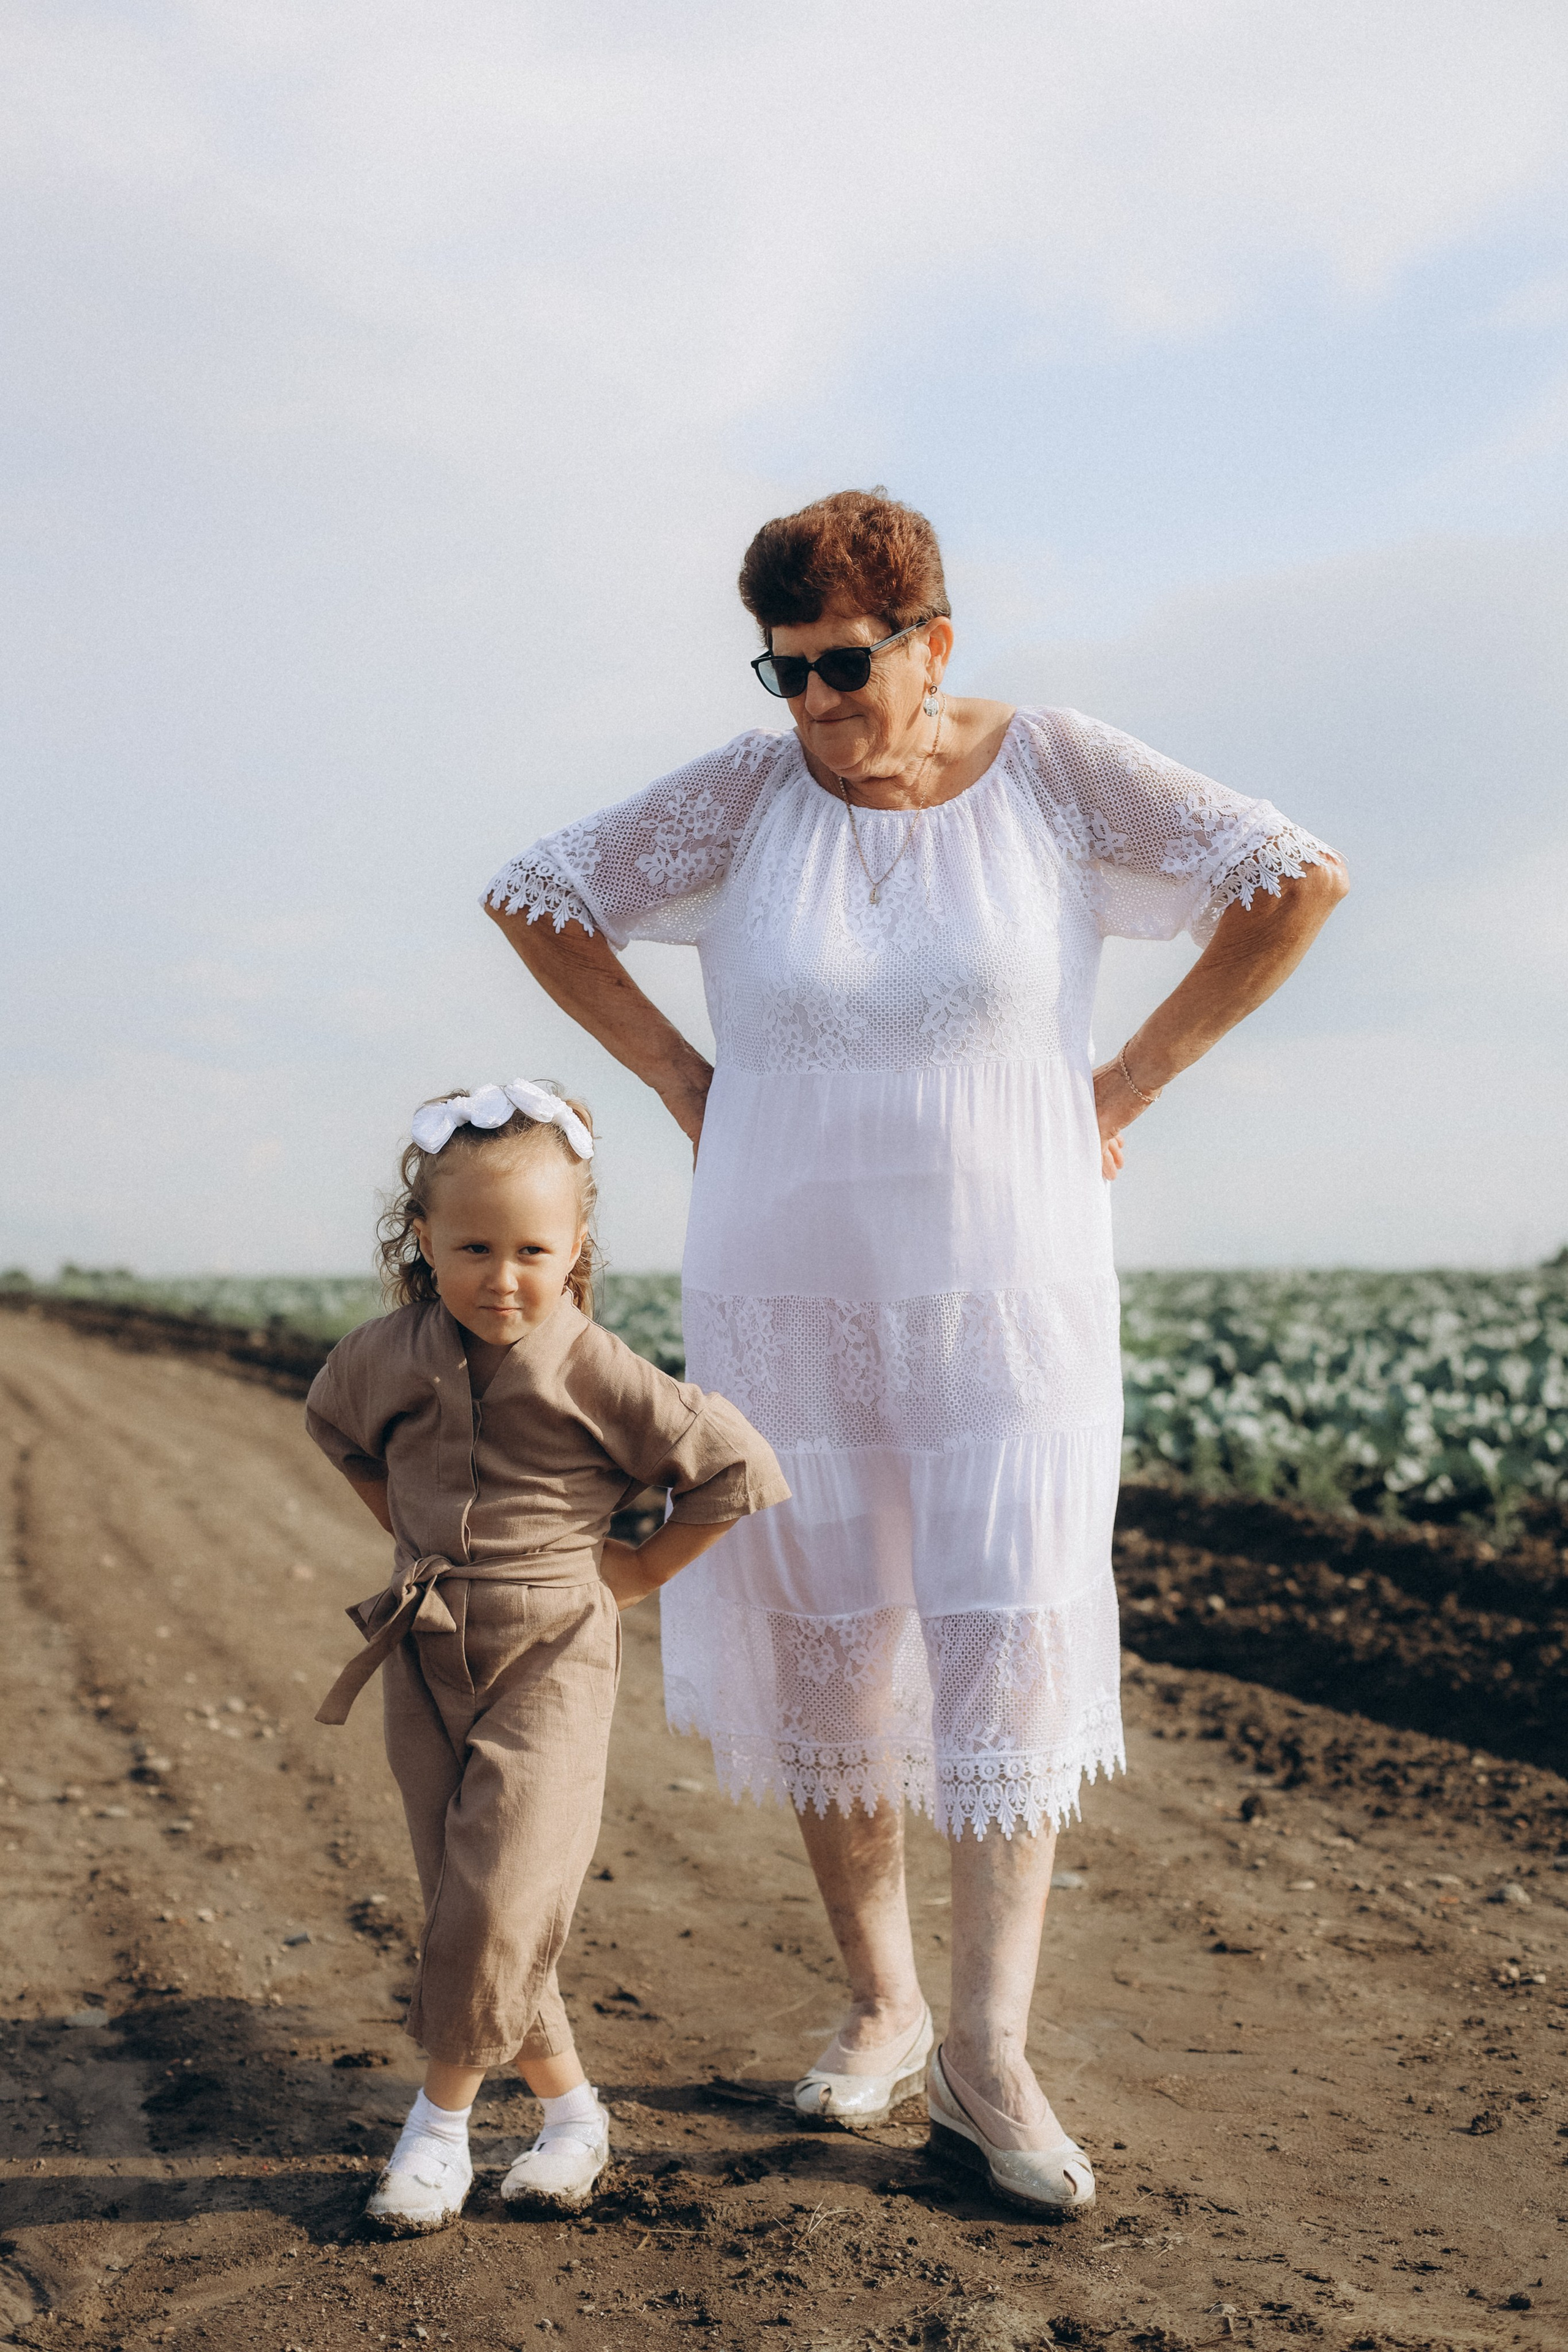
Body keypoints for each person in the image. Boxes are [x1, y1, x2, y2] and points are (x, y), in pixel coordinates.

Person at [483, 491, 1348, 2215]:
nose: (814, 704)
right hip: (785, 1284)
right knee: (829, 1647)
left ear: (932, 644)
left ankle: (987, 2053)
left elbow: (1290, 879)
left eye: (845, 666)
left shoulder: (1057, 772)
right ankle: (882, 2002)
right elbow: (534, 893)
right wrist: (680, 1079)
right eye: (785, 671)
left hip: (1007, 1287)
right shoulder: (747, 796)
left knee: (1001, 1635)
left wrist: (1126, 1083)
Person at [305, 1079, 788, 2234]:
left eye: (533, 1250)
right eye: (473, 1247)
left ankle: (438, 2134)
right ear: (423, 1240)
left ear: (576, 1248)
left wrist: (639, 1569)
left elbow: (733, 1469)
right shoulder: (385, 1355)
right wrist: (411, 1531)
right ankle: (572, 2118)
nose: (503, 1277)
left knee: (501, 1893)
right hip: (424, 1651)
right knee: (469, 1899)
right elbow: (336, 1427)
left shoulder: (596, 1367)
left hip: (554, 1655)